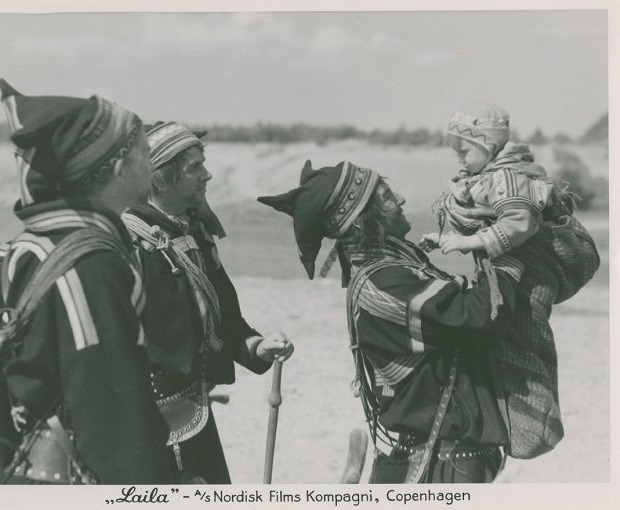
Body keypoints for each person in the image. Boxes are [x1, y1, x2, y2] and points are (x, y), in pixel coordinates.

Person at [257, 160, 525, 483]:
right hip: (444, 466)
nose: (400, 199)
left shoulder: (391, 263)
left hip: (442, 452)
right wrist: (506, 248)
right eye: (385, 196)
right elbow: (480, 316)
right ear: (358, 224)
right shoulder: (386, 283)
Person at [0, 80, 175, 484]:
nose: (150, 164)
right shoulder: (91, 266)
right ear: (118, 167)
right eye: (143, 152)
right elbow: (112, 417)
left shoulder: (29, 245)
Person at [420, 102, 599, 458]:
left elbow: (521, 222)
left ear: (489, 146)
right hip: (513, 266)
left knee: (526, 337)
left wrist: (468, 241)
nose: (459, 158)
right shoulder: (490, 175)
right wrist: (446, 239)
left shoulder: (508, 177)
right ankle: (510, 417)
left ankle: (534, 427)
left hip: (534, 271)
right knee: (506, 335)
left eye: (465, 149)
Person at [121, 121, 294, 484]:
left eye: (203, 163)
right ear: (162, 178)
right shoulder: (130, 244)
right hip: (146, 421)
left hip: (192, 411)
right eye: (194, 167)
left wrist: (255, 347)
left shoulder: (190, 233)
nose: (208, 174)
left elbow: (224, 315)